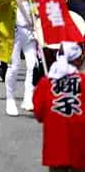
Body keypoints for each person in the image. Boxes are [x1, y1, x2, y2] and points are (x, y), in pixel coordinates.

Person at [33, 42, 85, 171]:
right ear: (78, 60)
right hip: (80, 142)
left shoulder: (46, 83)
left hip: (55, 141)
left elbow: (39, 114)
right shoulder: (83, 81)